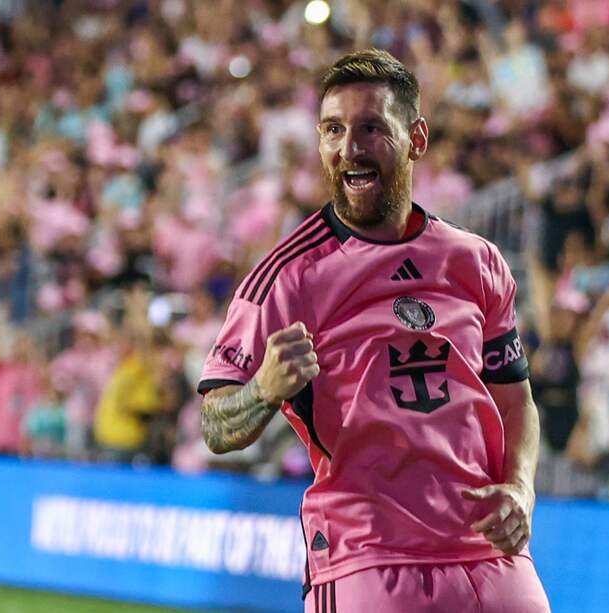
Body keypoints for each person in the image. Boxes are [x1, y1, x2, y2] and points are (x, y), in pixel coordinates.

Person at [197, 49, 550, 613]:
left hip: (490, 552)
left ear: (417, 139)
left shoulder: (475, 261)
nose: (349, 147)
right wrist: (264, 388)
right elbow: (215, 426)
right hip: (368, 560)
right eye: (333, 129)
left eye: (370, 128)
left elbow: (516, 402)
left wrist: (521, 490)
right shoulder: (287, 277)